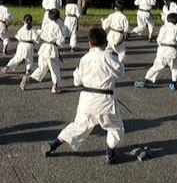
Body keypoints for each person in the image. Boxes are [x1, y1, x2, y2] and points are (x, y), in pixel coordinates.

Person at [43, 27, 126, 165]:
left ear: (89, 43)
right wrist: (115, 57)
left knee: (78, 126)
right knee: (115, 128)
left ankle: (54, 144)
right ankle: (110, 154)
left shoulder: (84, 59)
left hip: (86, 99)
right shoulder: (108, 57)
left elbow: (77, 81)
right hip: (104, 100)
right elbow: (121, 73)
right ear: (105, 43)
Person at [25, 7, 67, 93]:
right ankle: (56, 86)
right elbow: (60, 41)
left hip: (43, 47)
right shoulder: (57, 27)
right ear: (58, 17)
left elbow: (40, 34)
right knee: (55, 69)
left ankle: (28, 79)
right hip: (51, 49)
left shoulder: (46, 25)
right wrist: (61, 44)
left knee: (42, 68)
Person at [138, 12, 177, 90]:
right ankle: (174, 82)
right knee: (174, 67)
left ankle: (147, 80)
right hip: (172, 50)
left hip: (162, 49)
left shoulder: (163, 27)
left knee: (156, 66)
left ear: (167, 19)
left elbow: (158, 40)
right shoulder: (176, 28)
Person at [102, 1, 131, 65]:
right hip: (119, 36)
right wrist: (126, 35)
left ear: (115, 8)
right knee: (121, 52)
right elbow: (126, 29)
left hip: (111, 35)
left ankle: (105, 63)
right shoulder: (124, 17)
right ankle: (119, 64)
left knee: (108, 50)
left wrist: (103, 21)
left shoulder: (111, 15)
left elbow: (105, 26)